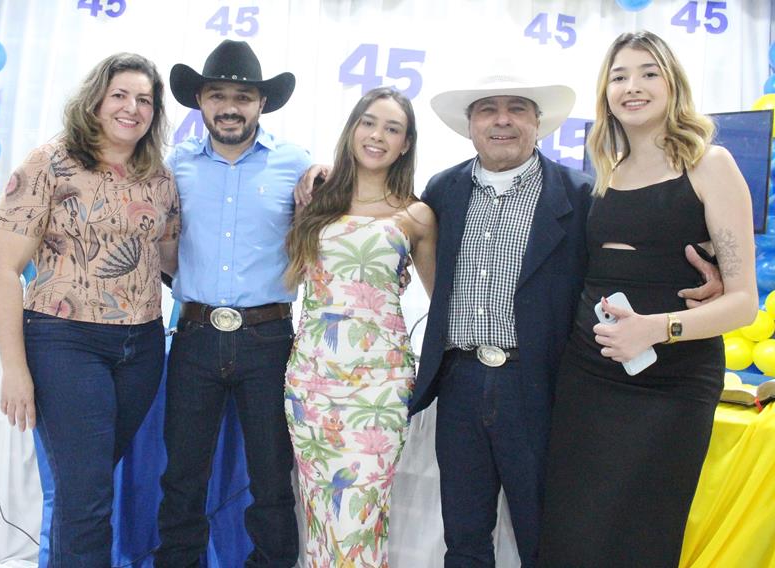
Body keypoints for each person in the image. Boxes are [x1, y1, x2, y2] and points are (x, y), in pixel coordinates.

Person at [403, 75, 725, 568]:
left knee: (546, 537)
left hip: (540, 386)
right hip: (460, 382)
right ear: (470, 125)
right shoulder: (443, 190)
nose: (502, 119)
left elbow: (633, 252)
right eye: (488, 109)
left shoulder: (582, 194)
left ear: (539, 123)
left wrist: (712, 267)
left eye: (517, 108)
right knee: (464, 536)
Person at [538, 31, 757, 568]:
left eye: (647, 73)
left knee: (641, 537)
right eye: (619, 76)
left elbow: (745, 303)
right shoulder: (603, 173)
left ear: (672, 84)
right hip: (589, 376)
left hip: (673, 384)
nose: (632, 87)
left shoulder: (712, 165)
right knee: (571, 533)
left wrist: (657, 328)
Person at [0, 53, 178, 567]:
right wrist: (15, 369)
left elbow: (173, 258)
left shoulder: (159, 177)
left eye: (144, 99)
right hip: (65, 342)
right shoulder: (48, 163)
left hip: (141, 348)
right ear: (96, 100)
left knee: (83, 492)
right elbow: (2, 269)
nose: (132, 108)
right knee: (88, 502)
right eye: (120, 95)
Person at [155, 40, 311, 568]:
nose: (230, 106)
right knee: (182, 476)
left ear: (261, 104)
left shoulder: (298, 165)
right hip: (194, 336)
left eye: (242, 96)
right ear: (199, 100)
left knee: (271, 477)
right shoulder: (172, 167)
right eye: (217, 94)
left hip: (269, 340)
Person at [284, 86, 436, 566]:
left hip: (379, 389)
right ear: (352, 129)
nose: (378, 135)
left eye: (393, 129)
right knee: (320, 511)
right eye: (369, 122)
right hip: (311, 381)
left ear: (406, 143)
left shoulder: (417, 215)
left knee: (361, 513)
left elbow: (443, 303)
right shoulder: (316, 200)